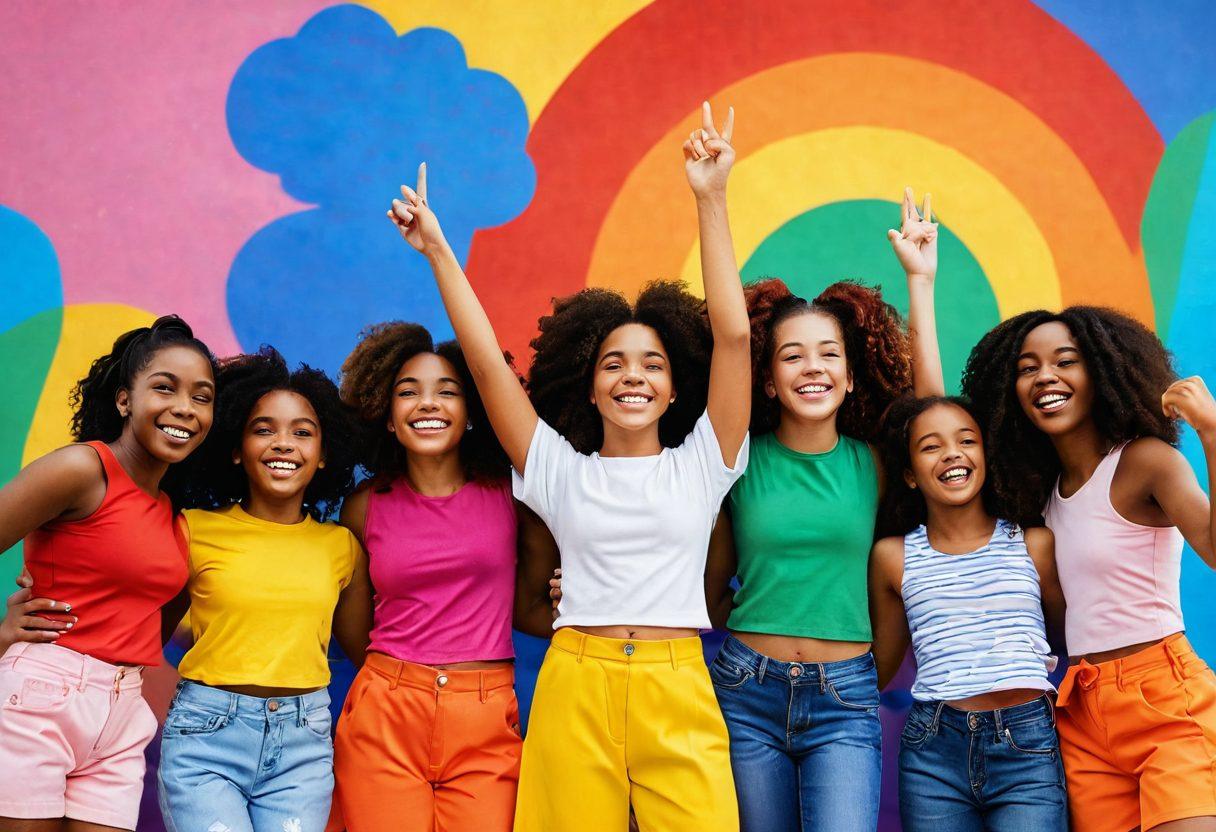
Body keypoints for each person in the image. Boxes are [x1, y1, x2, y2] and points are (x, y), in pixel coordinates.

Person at [387, 101, 750, 831]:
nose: (633, 376)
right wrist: (438, 251)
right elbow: (488, 366)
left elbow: (735, 337)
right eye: (614, 363)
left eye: (652, 364)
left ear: (676, 387)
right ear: (589, 385)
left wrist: (710, 198)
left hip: (677, 683)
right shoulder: (558, 470)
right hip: (575, 679)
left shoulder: (705, 460)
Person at [702, 188, 942, 831]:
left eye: (829, 354)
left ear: (854, 373)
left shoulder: (875, 464)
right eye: (792, 355)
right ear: (768, 377)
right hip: (745, 690)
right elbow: (707, 586)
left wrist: (920, 282)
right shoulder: (738, 460)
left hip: (847, 698)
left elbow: (937, 419)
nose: (813, 368)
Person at [963, 307, 1216, 832]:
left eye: (1065, 361)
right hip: (1081, 709)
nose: (1045, 377)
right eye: (1026, 368)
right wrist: (922, 283)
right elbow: (937, 425)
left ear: (1101, 371)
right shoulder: (1037, 497)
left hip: (1163, 699)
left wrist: (1211, 432)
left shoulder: (1145, 461)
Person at [329, 323, 553, 831]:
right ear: (386, 417)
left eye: (446, 392)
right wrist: (404, 686)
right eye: (408, 392)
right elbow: (355, 630)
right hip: (385, 717)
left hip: (486, 718)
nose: (427, 404)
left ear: (472, 412)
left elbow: (533, 604)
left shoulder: (513, 498)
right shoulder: (363, 508)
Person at [0, 316, 215, 831]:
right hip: (41, 700)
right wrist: (3, 635)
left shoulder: (173, 514)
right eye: (165, 387)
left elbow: (156, 618)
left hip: (122, 710)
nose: (184, 407)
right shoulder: (82, 469)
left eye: (202, 396)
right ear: (124, 399)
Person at [154, 348, 366, 832]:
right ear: (236, 447)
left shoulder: (342, 547)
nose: (284, 443)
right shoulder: (194, 530)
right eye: (263, 429)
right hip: (205, 738)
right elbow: (150, 626)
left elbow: (369, 651)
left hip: (303, 746)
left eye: (302, 432)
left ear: (324, 454)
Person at [869, 395, 1068, 830]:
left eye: (966, 440)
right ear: (909, 475)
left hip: (1027, 747)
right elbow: (880, 670)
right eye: (930, 447)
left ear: (985, 455)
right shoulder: (893, 556)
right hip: (933, 751)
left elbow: (1066, 638)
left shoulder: (1033, 542)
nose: (952, 454)